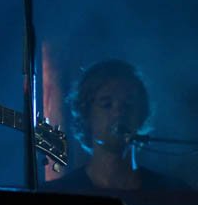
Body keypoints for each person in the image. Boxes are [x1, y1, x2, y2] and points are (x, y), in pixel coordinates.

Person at [44, 58, 190, 193]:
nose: (119, 112)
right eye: (107, 104)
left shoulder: (172, 193)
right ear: (86, 115)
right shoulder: (60, 193)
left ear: (142, 114)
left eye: (128, 105)